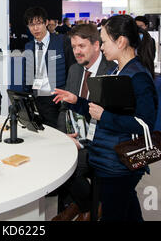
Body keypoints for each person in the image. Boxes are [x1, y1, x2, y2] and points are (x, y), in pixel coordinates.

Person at [52, 15, 158, 222]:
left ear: (121, 41)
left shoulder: (138, 76)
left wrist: (105, 116)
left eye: (105, 41)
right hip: (108, 158)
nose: (101, 47)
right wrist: (77, 101)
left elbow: (145, 124)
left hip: (119, 163)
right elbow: (100, 109)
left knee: (115, 213)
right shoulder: (118, 70)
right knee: (128, 211)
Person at [53, 24, 116, 221]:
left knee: (63, 167)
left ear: (96, 45)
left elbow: (110, 118)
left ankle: (84, 207)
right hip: (74, 136)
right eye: (74, 47)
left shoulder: (112, 72)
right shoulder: (74, 70)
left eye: (82, 46)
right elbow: (64, 108)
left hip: (98, 142)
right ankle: (85, 206)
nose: (77, 51)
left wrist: (81, 142)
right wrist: (64, 135)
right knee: (50, 157)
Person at [22, 7, 76, 129]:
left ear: (46, 23)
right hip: (37, 100)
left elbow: (72, 69)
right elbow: (26, 76)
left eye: (39, 23)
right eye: (31, 25)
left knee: (59, 135)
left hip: (57, 100)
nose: (35, 28)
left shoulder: (62, 41)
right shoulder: (29, 46)